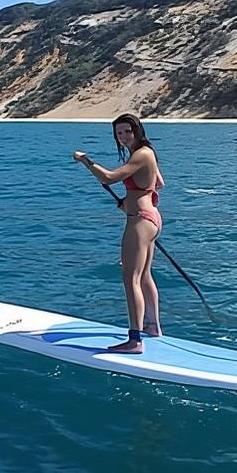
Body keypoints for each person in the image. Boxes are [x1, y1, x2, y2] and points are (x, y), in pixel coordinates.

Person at [73, 113, 165, 354]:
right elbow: (159, 182)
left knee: (130, 279)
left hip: (140, 222)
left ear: (137, 131)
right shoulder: (147, 153)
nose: (123, 137)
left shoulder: (141, 154)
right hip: (151, 218)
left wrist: (86, 161)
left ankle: (135, 341)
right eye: (119, 133)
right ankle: (153, 327)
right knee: (144, 276)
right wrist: (133, 198)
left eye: (127, 131)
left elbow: (110, 178)